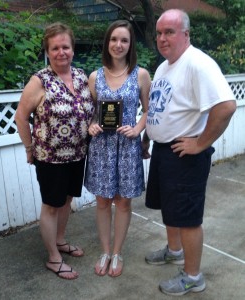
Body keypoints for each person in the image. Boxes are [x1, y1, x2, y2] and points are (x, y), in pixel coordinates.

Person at [142, 9, 236, 296]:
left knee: (188, 217)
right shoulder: (164, 66)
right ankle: (174, 250)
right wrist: (148, 136)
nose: (162, 38)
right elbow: (161, 108)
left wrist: (200, 143)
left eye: (169, 32)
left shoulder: (198, 64)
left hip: (185, 155)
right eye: (159, 33)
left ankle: (193, 277)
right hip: (163, 150)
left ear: (186, 34)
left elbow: (226, 106)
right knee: (171, 210)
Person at [15, 22, 94, 280]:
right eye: (55, 48)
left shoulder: (82, 77)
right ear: (48, 51)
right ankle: (53, 258)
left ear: (73, 49)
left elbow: (91, 111)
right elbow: (21, 117)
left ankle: (60, 240)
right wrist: (29, 148)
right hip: (50, 158)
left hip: (78, 154)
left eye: (66, 47)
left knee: (67, 200)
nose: (62, 52)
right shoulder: (40, 81)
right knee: (51, 205)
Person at [84, 20, 151, 277]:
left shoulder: (141, 74)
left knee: (123, 203)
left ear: (130, 44)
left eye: (124, 40)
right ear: (107, 43)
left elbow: (148, 110)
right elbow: (92, 114)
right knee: (102, 202)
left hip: (127, 146)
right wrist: (91, 126)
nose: (118, 45)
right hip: (102, 147)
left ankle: (117, 252)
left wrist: (137, 129)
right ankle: (104, 250)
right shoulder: (95, 76)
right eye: (114, 39)